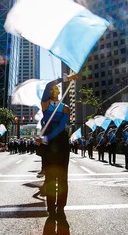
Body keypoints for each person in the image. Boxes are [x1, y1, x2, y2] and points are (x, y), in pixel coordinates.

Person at [35, 73, 77, 221]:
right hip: (48, 144)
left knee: (62, 177)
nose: (53, 91)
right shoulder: (45, 105)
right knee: (50, 177)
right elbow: (47, 85)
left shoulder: (65, 107)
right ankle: (51, 208)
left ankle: (61, 208)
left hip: (60, 142)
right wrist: (65, 78)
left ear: (59, 92)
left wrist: (47, 137)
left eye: (56, 90)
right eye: (52, 90)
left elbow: (61, 127)